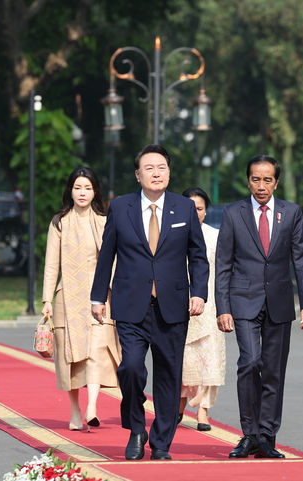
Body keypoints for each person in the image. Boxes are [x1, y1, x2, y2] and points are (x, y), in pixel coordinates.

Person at [90, 144, 209, 461]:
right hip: (131, 304)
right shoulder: (121, 208)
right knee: (130, 368)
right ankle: (136, 427)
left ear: (169, 172)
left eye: (162, 168)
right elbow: (107, 256)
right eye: (150, 168)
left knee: (169, 376)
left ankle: (160, 443)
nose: (157, 173)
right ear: (138, 174)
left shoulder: (184, 208)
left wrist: (198, 292)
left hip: (173, 306)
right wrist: (98, 296)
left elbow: (198, 257)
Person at [215, 154, 303, 459]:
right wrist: (223, 307)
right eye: (256, 179)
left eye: (267, 179)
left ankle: (267, 436)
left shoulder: (291, 212)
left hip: (280, 303)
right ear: (248, 180)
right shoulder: (234, 214)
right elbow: (223, 263)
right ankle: (249, 433)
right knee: (249, 362)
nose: (261, 185)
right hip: (243, 301)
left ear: (276, 182)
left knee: (273, 371)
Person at [41, 166, 121, 431]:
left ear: (95, 190)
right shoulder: (59, 222)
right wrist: (46, 300)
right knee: (71, 357)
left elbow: (115, 260)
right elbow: (52, 264)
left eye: (87, 187)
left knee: (97, 350)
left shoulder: (105, 220)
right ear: (70, 191)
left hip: (99, 297)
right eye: (78, 187)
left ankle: (92, 407)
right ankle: (75, 412)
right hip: (68, 297)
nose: (83, 192)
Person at [178, 187, 226, 432]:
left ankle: (203, 411)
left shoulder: (216, 237)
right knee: (183, 360)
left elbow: (223, 273)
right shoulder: (173, 233)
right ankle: (180, 402)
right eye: (190, 208)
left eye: (199, 208)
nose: (195, 213)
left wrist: (224, 306)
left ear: (206, 211)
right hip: (179, 305)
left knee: (209, 360)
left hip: (209, 307)